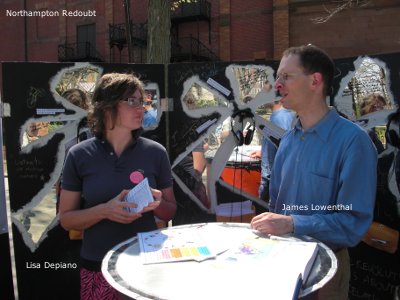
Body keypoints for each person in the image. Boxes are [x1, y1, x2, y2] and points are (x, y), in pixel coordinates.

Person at [250, 44, 377, 300]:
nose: (277, 85)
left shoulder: (354, 142)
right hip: (282, 267)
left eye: (286, 76)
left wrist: (293, 223)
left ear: (315, 81)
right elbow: (277, 205)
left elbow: (352, 223)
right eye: (278, 77)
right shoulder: (288, 141)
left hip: (325, 273)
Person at [59, 72, 177, 300]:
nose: (140, 108)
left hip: (145, 266)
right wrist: (105, 211)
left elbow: (170, 211)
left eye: (142, 101)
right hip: (97, 266)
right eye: (131, 101)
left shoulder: (155, 153)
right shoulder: (79, 155)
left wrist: (158, 203)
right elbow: (66, 219)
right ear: (107, 106)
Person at [251, 96, 295, 202]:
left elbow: (268, 170)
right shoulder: (292, 116)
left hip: (276, 189)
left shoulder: (274, 121)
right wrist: (264, 151)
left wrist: (262, 197)